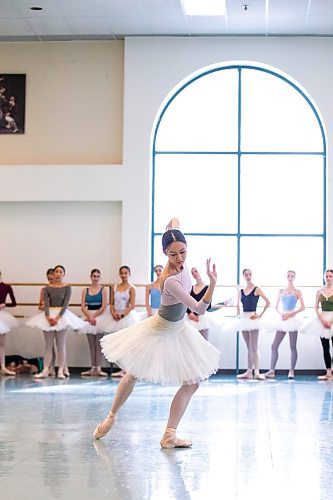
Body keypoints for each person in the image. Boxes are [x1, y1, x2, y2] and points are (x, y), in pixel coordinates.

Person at [93, 219, 220, 448]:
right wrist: (212, 283)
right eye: (173, 254)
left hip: (178, 329)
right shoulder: (169, 280)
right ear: (165, 253)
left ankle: (169, 434)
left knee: (193, 382)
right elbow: (199, 309)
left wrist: (172, 226)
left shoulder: (180, 264)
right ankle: (111, 417)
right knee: (132, 374)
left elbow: (174, 222)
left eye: (183, 251)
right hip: (159, 331)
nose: (180, 258)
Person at [26, 265, 84, 379]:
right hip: (48, 315)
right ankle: (45, 370)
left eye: (60, 272)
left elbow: (65, 304)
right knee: (48, 345)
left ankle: (61, 370)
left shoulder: (67, 288)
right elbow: (46, 304)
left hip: (61, 316)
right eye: (56, 271)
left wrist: (57, 318)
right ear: (53, 274)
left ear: (63, 274)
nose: (58, 273)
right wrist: (48, 317)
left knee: (61, 345)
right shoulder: (47, 288)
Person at [224, 268, 270, 380]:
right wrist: (239, 316)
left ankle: (257, 372)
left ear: (252, 275)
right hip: (244, 319)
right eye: (246, 275)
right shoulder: (241, 291)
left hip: (253, 318)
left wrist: (259, 315)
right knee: (248, 347)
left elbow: (268, 302)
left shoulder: (256, 289)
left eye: (250, 274)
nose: (248, 276)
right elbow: (238, 305)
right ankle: (249, 372)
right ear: (243, 276)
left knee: (254, 347)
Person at [265, 271, 305, 379]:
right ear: (286, 277)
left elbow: (302, 307)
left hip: (292, 320)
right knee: (274, 345)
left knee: (292, 346)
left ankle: (291, 371)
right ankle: (271, 370)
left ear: (295, 277)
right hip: (282, 319)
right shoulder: (281, 291)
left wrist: (290, 314)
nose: (290, 277)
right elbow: (276, 307)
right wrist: (281, 314)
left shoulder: (297, 292)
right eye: (288, 276)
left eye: (292, 276)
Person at [103, 265, 139, 378]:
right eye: (121, 273)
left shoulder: (132, 288)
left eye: (125, 273)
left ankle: (127, 369)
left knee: (127, 344)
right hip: (115, 316)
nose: (123, 275)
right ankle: (120, 368)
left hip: (126, 316)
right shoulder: (115, 287)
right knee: (118, 344)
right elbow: (112, 303)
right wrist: (114, 313)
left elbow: (132, 305)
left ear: (129, 274)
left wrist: (122, 314)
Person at [302, 269, 333, 380]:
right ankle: (328, 372)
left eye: (330, 276)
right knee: (325, 348)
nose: (328, 278)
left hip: (332, 319)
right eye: (327, 276)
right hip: (322, 319)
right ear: (324, 277)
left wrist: (330, 321)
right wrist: (323, 320)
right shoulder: (319, 291)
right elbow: (316, 308)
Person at [79, 269, 109, 377]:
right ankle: (93, 368)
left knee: (98, 344)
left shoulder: (103, 290)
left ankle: (99, 368)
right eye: (94, 276)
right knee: (91, 345)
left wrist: (94, 317)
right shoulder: (85, 290)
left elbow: (104, 306)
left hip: (99, 317)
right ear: (90, 277)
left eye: (97, 276)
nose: (96, 278)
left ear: (99, 278)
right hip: (88, 317)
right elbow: (82, 306)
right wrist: (89, 317)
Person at [0, 270, 18, 376]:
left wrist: (4, 304)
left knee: (1, 344)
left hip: (1, 316)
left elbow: (14, 303)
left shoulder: (6, 287)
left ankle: (2, 366)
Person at [186, 267, 211, 340]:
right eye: (192, 273)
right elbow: (187, 302)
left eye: (195, 271)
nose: (194, 274)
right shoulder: (191, 288)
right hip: (191, 318)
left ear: (200, 272)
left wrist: (199, 313)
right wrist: (190, 313)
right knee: (191, 343)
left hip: (202, 318)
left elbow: (209, 305)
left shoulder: (207, 288)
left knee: (204, 342)